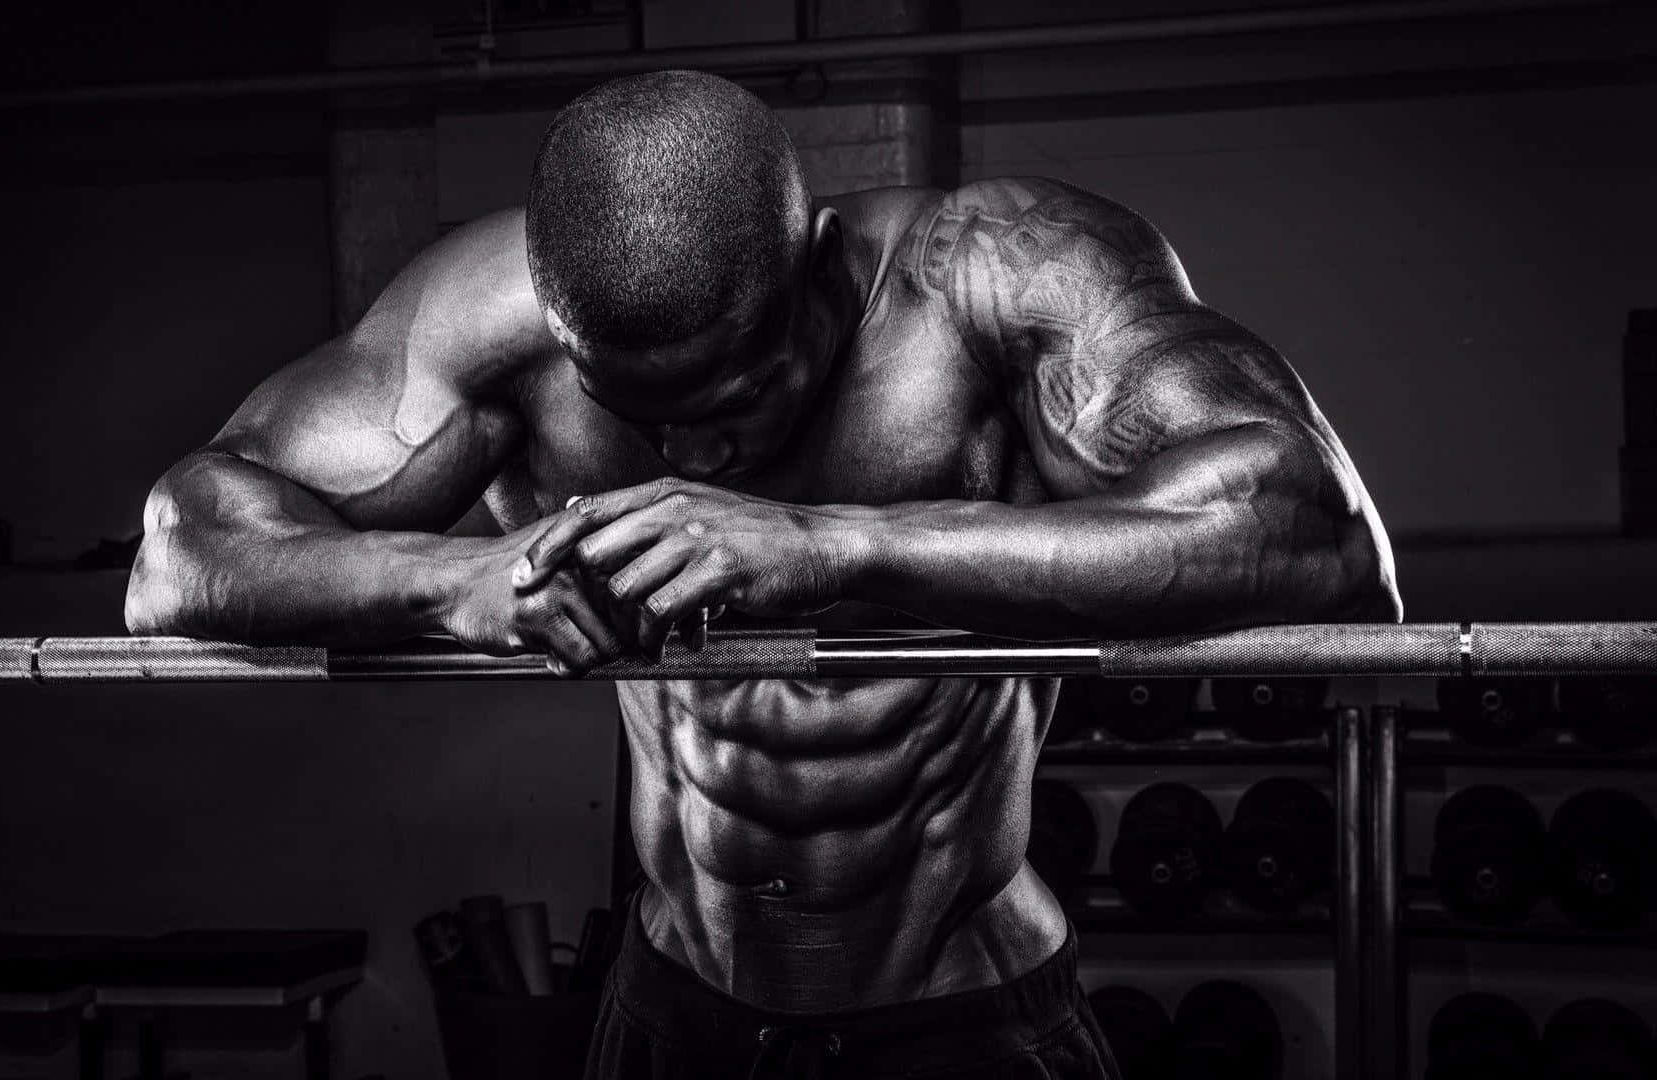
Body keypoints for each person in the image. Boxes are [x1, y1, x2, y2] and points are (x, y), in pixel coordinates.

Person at [125, 70, 1400, 1078]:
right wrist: (446, 580)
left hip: (960, 1018)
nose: (690, 454)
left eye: (731, 402)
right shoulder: (496, 321)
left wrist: (847, 541)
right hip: (674, 1009)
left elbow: (1319, 531)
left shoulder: (990, 277)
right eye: (644, 416)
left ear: (821, 273)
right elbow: (181, 548)